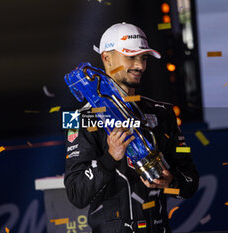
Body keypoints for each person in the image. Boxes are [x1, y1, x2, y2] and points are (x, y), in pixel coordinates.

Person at [64, 23, 199, 233]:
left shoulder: (163, 113)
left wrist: (170, 181)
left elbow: (190, 181)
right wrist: (110, 157)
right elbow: (76, 194)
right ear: (106, 58)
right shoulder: (78, 118)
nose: (140, 66)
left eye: (144, 58)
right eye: (131, 57)